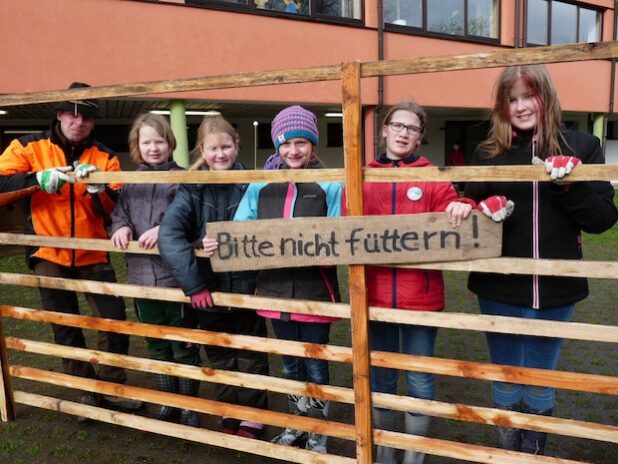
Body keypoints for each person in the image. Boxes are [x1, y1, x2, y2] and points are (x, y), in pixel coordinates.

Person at [465, 64, 618, 455]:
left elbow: (601, 219)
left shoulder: (582, 146)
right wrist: (479, 206)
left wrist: (569, 185)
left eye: (528, 95)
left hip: (556, 287)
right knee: (505, 375)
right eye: (511, 99)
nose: (520, 106)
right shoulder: (486, 151)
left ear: (545, 96)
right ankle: (508, 449)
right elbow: (465, 210)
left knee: (540, 375)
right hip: (498, 285)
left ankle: (533, 451)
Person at [0, 82, 142, 414]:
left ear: (94, 123)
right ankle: (83, 390)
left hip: (93, 251)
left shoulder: (105, 157)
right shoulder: (27, 147)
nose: (80, 123)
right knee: (65, 323)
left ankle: (110, 386)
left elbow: (117, 208)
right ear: (60, 114)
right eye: (73, 115)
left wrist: (99, 189)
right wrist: (38, 179)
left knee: (113, 318)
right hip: (47, 251)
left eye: (88, 118)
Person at [361, 100, 475, 464]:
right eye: (397, 125)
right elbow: (345, 224)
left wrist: (464, 204)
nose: (403, 133)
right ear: (384, 129)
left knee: (420, 378)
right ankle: (386, 449)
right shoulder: (365, 175)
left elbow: (454, 207)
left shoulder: (432, 177)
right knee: (380, 378)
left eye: (411, 128)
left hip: (421, 299)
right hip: (374, 298)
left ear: (420, 136)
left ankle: (415, 455)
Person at [232, 105, 342, 453]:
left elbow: (342, 234)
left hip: (315, 293)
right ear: (276, 146)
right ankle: (296, 425)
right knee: (290, 363)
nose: (293, 150)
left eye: (301, 143)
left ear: (312, 145)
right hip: (274, 291)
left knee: (315, 363)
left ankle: (318, 433)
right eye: (286, 144)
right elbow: (240, 230)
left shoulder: (329, 184)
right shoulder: (261, 186)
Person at [158, 115, 270, 438]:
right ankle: (228, 410)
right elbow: (170, 235)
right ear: (201, 151)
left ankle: (252, 413)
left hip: (248, 288)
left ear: (236, 145)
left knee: (250, 352)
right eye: (212, 149)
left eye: (226, 147)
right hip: (209, 289)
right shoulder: (191, 189)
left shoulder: (252, 182)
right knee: (219, 352)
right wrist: (194, 278)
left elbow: (269, 231)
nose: (220, 155)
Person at [110, 113, 201, 426]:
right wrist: (120, 227)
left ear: (170, 143)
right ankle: (168, 401)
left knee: (184, 342)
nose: (153, 147)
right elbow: (120, 214)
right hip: (140, 280)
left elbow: (190, 220)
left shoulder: (182, 180)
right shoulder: (131, 183)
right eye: (146, 142)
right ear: (137, 146)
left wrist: (163, 229)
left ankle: (189, 404)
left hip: (175, 279)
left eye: (159, 141)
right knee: (156, 342)